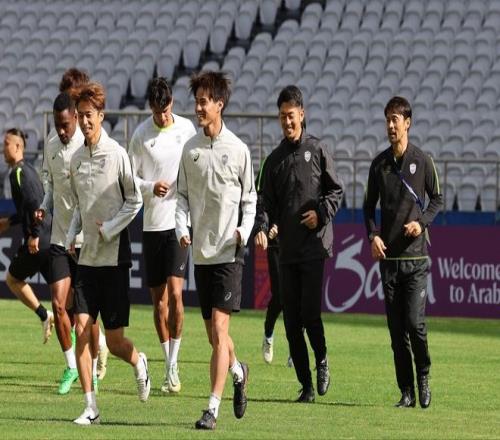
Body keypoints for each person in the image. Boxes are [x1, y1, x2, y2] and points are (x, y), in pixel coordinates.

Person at [176, 71, 255, 430]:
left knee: (220, 332)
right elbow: (180, 197)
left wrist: (243, 231)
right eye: (196, 101)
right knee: (213, 337)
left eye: (204, 101)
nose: (198, 107)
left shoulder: (238, 150)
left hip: (229, 253)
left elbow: (250, 200)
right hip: (202, 254)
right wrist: (182, 228)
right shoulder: (190, 150)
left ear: (219, 105)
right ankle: (238, 371)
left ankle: (212, 409)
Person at [66, 82, 149, 425]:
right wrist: (71, 235)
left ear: (101, 115)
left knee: (114, 343)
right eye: (80, 115)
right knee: (82, 329)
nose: (84, 121)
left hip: (114, 259)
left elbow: (135, 200)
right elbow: (78, 207)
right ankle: (91, 407)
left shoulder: (117, 154)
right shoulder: (75, 160)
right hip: (86, 260)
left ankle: (139, 362)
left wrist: (111, 227)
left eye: (89, 115)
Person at [254, 85, 344, 403]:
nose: (287, 122)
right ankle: (306, 386)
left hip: (315, 247)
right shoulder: (274, 161)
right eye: (282, 116)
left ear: (302, 114)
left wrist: (320, 214)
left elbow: (336, 191)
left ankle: (322, 359)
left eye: (291, 115)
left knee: (309, 314)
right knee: (291, 323)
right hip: (286, 250)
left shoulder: (318, 150)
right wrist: (262, 227)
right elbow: (265, 202)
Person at [363, 96, 442, 409]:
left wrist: (421, 224)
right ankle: (406, 392)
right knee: (397, 333)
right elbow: (368, 207)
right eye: (387, 120)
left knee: (414, 324)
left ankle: (423, 375)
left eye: (395, 119)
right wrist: (373, 236)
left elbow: (437, 200)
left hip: (416, 259)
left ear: (407, 123)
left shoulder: (422, 161)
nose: (390, 125)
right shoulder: (378, 165)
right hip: (389, 261)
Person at [35, 92, 106, 395]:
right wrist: (44, 206)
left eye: (65, 125)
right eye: (57, 125)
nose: (62, 131)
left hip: (85, 240)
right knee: (58, 304)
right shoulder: (51, 146)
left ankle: (94, 364)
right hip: (59, 238)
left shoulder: (87, 145)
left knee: (86, 314)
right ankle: (71, 366)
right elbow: (50, 186)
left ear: (76, 118)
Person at [128, 77, 196, 394]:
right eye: (158, 112)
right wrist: (149, 187)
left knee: (177, 294)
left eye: (166, 110)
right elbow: (130, 179)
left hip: (178, 223)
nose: (163, 116)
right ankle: (167, 357)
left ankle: (173, 364)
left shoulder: (186, 130)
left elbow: (197, 167)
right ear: (151, 108)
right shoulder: (141, 135)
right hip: (152, 225)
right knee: (159, 303)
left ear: (171, 103)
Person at [0, 129, 54, 343]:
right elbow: (28, 208)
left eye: (6, 144)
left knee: (12, 279)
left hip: (39, 241)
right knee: (65, 301)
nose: (3, 148)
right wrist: (10, 222)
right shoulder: (28, 170)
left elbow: (33, 204)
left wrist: (35, 235)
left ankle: (44, 315)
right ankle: (100, 341)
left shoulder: (18, 173)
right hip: (49, 238)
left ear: (18, 146)